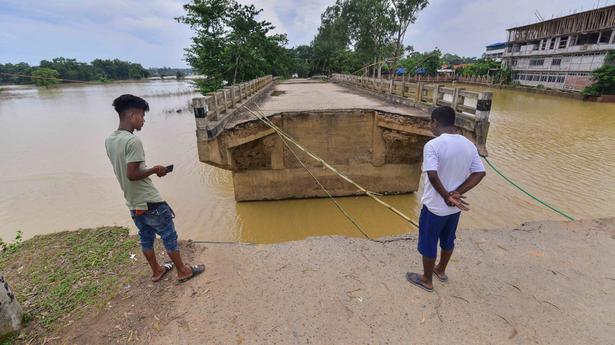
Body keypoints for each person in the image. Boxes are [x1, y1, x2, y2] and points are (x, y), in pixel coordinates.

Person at [105, 94, 204, 283]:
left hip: (133, 202)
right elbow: (132, 174)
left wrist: (148, 170)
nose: (143, 120)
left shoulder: (110, 140)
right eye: (142, 115)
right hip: (150, 200)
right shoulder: (132, 141)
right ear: (132, 115)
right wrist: (155, 169)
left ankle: (157, 270)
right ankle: (183, 271)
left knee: (146, 237)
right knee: (168, 235)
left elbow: (125, 171)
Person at [407, 106, 486, 292]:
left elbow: (432, 175)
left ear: (435, 122)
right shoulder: (468, 144)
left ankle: (426, 279)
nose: (430, 127)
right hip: (454, 208)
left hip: (435, 207)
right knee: (448, 240)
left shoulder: (433, 145)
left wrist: (447, 196)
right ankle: (440, 271)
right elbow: (479, 173)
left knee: (428, 242)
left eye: (430, 123)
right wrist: (456, 193)